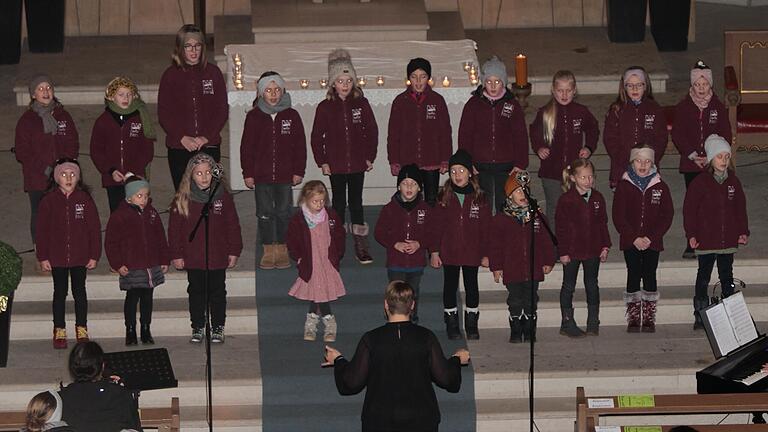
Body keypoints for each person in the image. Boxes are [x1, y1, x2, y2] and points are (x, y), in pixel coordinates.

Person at [323, 281, 470, 432]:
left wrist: (338, 360)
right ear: (412, 305)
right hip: (421, 420)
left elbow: (352, 383)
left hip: (379, 420)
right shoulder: (426, 337)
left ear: (386, 304)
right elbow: (446, 378)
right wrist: (457, 359)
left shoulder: (371, 339)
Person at [311, 49, 378, 264]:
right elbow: (316, 136)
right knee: (338, 203)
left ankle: (360, 242)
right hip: (336, 165)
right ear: (333, 83)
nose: (345, 85)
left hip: (358, 163)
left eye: (349, 80)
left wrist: (370, 155)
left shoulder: (362, 104)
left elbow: (372, 131)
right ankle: (336, 242)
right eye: (340, 81)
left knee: (356, 202)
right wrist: (322, 160)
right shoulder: (325, 108)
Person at [168, 153, 242, 343]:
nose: (204, 176)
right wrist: (176, 253)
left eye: (208, 172)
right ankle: (198, 325)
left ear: (214, 173)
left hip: (218, 254)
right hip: (194, 256)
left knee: (218, 292)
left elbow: (232, 225)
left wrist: (234, 250)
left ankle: (218, 326)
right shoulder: (183, 199)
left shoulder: (222, 197)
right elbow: (174, 229)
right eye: (199, 173)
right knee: (196, 292)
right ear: (190, 176)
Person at [241, 71, 306, 270]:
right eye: (268, 90)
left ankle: (283, 247)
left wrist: (298, 170)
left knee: (284, 212)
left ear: (283, 91)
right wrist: (248, 173)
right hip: (261, 175)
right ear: (261, 93)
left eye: (277, 89)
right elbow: (247, 147)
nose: (273, 94)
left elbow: (299, 145)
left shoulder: (291, 115)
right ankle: (269, 248)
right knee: (265, 212)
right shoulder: (254, 117)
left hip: (285, 175)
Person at [684, 134, 749, 330]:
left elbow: (740, 208)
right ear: (711, 159)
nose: (723, 161)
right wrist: (692, 234)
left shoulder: (733, 182)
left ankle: (729, 309)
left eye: (726, 157)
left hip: (727, 239)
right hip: (706, 238)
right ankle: (700, 314)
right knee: (703, 275)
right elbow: (690, 210)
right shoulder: (700, 182)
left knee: (726, 275)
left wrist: (742, 230)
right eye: (719, 157)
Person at [35, 158, 101, 349]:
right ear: (56, 178)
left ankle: (82, 327)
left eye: (72, 174)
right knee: (60, 293)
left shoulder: (84, 200)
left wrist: (94, 254)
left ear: (78, 178)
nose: (68, 178)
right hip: (57, 257)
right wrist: (43, 256)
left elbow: (94, 229)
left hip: (80, 256)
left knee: (79, 292)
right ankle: (59, 329)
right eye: (64, 175)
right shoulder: (49, 201)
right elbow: (42, 231)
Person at [672, 60, 732, 259]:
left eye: (704, 84)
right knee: (694, 204)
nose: (700, 88)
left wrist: (712, 156)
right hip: (691, 164)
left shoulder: (718, 107)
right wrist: (692, 155)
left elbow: (725, 134)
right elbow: (678, 134)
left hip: (712, 164)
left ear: (711, 85)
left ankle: (714, 238)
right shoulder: (683, 107)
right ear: (692, 85)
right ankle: (693, 240)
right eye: (697, 85)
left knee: (714, 202)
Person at [158, 24, 227, 191]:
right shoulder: (170, 76)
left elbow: (221, 110)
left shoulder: (213, 73)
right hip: (180, 145)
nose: (193, 51)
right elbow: (164, 114)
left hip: (209, 144)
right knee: (184, 193)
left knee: (211, 192)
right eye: (188, 46)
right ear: (180, 49)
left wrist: (206, 137)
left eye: (197, 46)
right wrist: (182, 137)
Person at [431, 149, 491, 340]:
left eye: (461, 171)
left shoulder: (480, 198)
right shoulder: (443, 198)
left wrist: (486, 253)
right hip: (450, 252)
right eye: (453, 171)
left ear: (470, 172)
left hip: (472, 252)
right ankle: (452, 322)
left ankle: (472, 322)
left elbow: (486, 229)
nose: (457, 175)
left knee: (471, 286)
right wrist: (434, 251)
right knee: (450, 286)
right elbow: (435, 228)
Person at [612, 146, 673, 333]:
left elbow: (666, 215)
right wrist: (633, 238)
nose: (643, 165)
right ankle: (633, 316)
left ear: (653, 164)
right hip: (631, 241)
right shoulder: (624, 185)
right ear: (632, 162)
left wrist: (650, 237)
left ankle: (648, 316)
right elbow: (618, 216)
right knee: (633, 273)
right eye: (639, 161)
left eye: (647, 161)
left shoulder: (660, 186)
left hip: (652, 241)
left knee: (649, 274)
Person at [15, 74, 79, 248]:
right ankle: (40, 250)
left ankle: (61, 247)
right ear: (33, 94)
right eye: (41, 89)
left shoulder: (63, 115)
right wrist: (45, 169)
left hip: (63, 176)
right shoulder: (27, 121)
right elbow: (23, 152)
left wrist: (64, 167)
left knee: (62, 212)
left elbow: (72, 142)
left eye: (48, 88)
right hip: (37, 177)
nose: (46, 92)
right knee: (40, 213)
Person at [458, 56, 529, 212]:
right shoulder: (473, 105)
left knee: (505, 203)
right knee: (483, 203)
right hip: (480, 165)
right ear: (483, 82)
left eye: (497, 81)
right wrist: (468, 163)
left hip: (507, 165)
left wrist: (520, 164)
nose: (493, 86)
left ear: (503, 82)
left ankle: (503, 232)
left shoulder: (512, 105)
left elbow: (520, 136)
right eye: (489, 81)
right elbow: (465, 135)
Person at [105, 176, 170, 345]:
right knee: (132, 298)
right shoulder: (119, 216)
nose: (144, 199)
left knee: (147, 298)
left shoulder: (152, 213)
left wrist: (164, 258)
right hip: (131, 265)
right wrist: (117, 264)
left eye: (146, 195)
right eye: (139, 196)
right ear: (129, 197)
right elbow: (111, 243)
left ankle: (146, 328)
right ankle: (131, 329)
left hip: (150, 264)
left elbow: (160, 237)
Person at [490, 174, 555, 343]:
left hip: (533, 267)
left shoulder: (537, 216)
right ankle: (516, 329)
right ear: (509, 195)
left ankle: (530, 328)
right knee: (515, 299)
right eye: (518, 191)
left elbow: (546, 241)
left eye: (525, 190)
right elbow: (495, 246)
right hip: (512, 267)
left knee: (531, 299)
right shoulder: (502, 219)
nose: (523, 194)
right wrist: (496, 267)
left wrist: (548, 260)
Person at [530, 70, 599, 227]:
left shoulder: (581, 112)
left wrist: (589, 147)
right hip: (551, 172)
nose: (564, 94)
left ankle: (575, 241)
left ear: (574, 91)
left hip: (575, 172)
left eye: (568, 90)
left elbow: (593, 128)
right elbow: (535, 132)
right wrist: (539, 147)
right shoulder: (545, 113)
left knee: (576, 207)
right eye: (560, 90)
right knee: (555, 207)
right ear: (553, 91)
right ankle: (555, 244)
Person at [555, 159, 611, 337]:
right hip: (572, 251)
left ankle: (593, 321)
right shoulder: (566, 200)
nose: (588, 181)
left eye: (591, 177)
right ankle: (567, 322)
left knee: (592, 285)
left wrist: (605, 245)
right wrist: (562, 252)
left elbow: (602, 223)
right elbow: (561, 228)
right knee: (569, 286)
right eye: (583, 177)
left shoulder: (597, 198)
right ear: (573, 178)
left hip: (592, 249)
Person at [387, 57, 452, 207]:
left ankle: (430, 228)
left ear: (429, 78)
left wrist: (445, 159)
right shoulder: (400, 101)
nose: (418, 81)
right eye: (414, 77)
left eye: (422, 77)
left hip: (432, 160)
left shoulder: (437, 100)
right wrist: (394, 160)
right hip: (408, 160)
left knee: (431, 199)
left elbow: (445, 133)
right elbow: (393, 134)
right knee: (409, 199)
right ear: (408, 78)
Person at [286, 181, 346, 343]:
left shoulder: (331, 216)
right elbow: (292, 240)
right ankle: (328, 319)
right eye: (315, 201)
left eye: (322, 201)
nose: (319, 205)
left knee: (318, 291)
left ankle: (313, 320)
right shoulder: (299, 220)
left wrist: (337, 253)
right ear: (305, 199)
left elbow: (340, 234)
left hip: (326, 261)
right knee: (318, 290)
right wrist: (298, 256)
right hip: (310, 262)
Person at [374, 164, 434, 324]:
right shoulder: (389, 209)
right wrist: (394, 244)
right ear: (398, 186)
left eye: (413, 184)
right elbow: (379, 233)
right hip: (396, 262)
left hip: (416, 263)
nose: (409, 187)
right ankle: (393, 319)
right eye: (405, 183)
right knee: (395, 294)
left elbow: (432, 234)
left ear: (419, 188)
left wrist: (419, 244)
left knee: (412, 293)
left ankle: (412, 320)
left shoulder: (425, 210)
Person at [90, 76, 155, 213]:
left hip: (135, 175)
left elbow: (147, 149)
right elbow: (96, 150)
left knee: (137, 210)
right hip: (113, 178)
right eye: (121, 95)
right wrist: (111, 170)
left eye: (129, 94)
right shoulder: (103, 121)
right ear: (112, 97)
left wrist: (135, 171)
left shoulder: (140, 118)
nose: (126, 98)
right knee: (117, 212)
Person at [604, 66, 667, 189]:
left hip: (647, 164)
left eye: (639, 85)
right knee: (624, 200)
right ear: (624, 87)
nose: (634, 88)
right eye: (630, 85)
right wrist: (621, 157)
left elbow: (661, 137)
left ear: (645, 86)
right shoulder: (617, 110)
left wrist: (651, 157)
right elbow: (609, 137)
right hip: (623, 165)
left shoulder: (654, 108)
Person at [59, 341, 142, 432]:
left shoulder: (60, 399)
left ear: (72, 368)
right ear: (102, 367)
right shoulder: (120, 395)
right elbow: (135, 428)